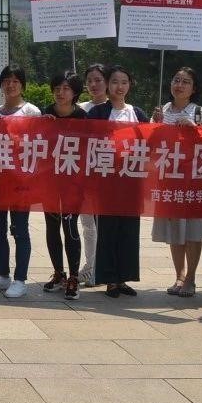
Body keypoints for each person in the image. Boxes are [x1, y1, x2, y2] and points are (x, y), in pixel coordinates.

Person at [150, 66, 202, 298]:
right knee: (174, 229)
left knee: (192, 231)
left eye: (185, 82)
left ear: (194, 88)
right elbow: (150, 143)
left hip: (193, 180)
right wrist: (156, 125)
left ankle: (191, 278)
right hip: (169, 178)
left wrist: (195, 130)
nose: (179, 85)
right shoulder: (162, 111)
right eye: (176, 80)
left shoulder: (200, 112)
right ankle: (179, 275)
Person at [0, 65, 42, 299]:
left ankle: (20, 278)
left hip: (21, 182)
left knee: (20, 230)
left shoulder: (31, 112)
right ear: (1, 85)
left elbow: (40, 143)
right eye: (6, 81)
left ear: (22, 85)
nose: (11, 85)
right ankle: (2, 274)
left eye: (15, 81)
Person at [85, 65, 149, 298]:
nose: (119, 87)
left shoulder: (137, 113)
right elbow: (87, 141)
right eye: (114, 82)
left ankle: (123, 278)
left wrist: (158, 125)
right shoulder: (98, 113)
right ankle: (110, 279)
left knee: (129, 231)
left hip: (131, 182)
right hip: (106, 182)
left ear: (129, 85)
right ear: (107, 85)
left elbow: (150, 142)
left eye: (124, 82)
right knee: (108, 230)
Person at [41, 70, 87, 300]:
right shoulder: (45, 113)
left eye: (66, 88)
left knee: (70, 226)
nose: (61, 93)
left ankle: (74, 277)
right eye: (57, 88)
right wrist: (41, 126)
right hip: (49, 180)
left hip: (73, 182)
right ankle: (59, 273)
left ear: (75, 92)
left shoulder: (83, 117)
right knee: (52, 226)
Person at [76, 62, 109, 286]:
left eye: (98, 80)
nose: (94, 85)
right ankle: (90, 267)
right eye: (89, 81)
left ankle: (101, 268)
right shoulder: (80, 109)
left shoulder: (115, 109)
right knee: (88, 225)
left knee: (104, 225)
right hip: (83, 175)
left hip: (107, 175)